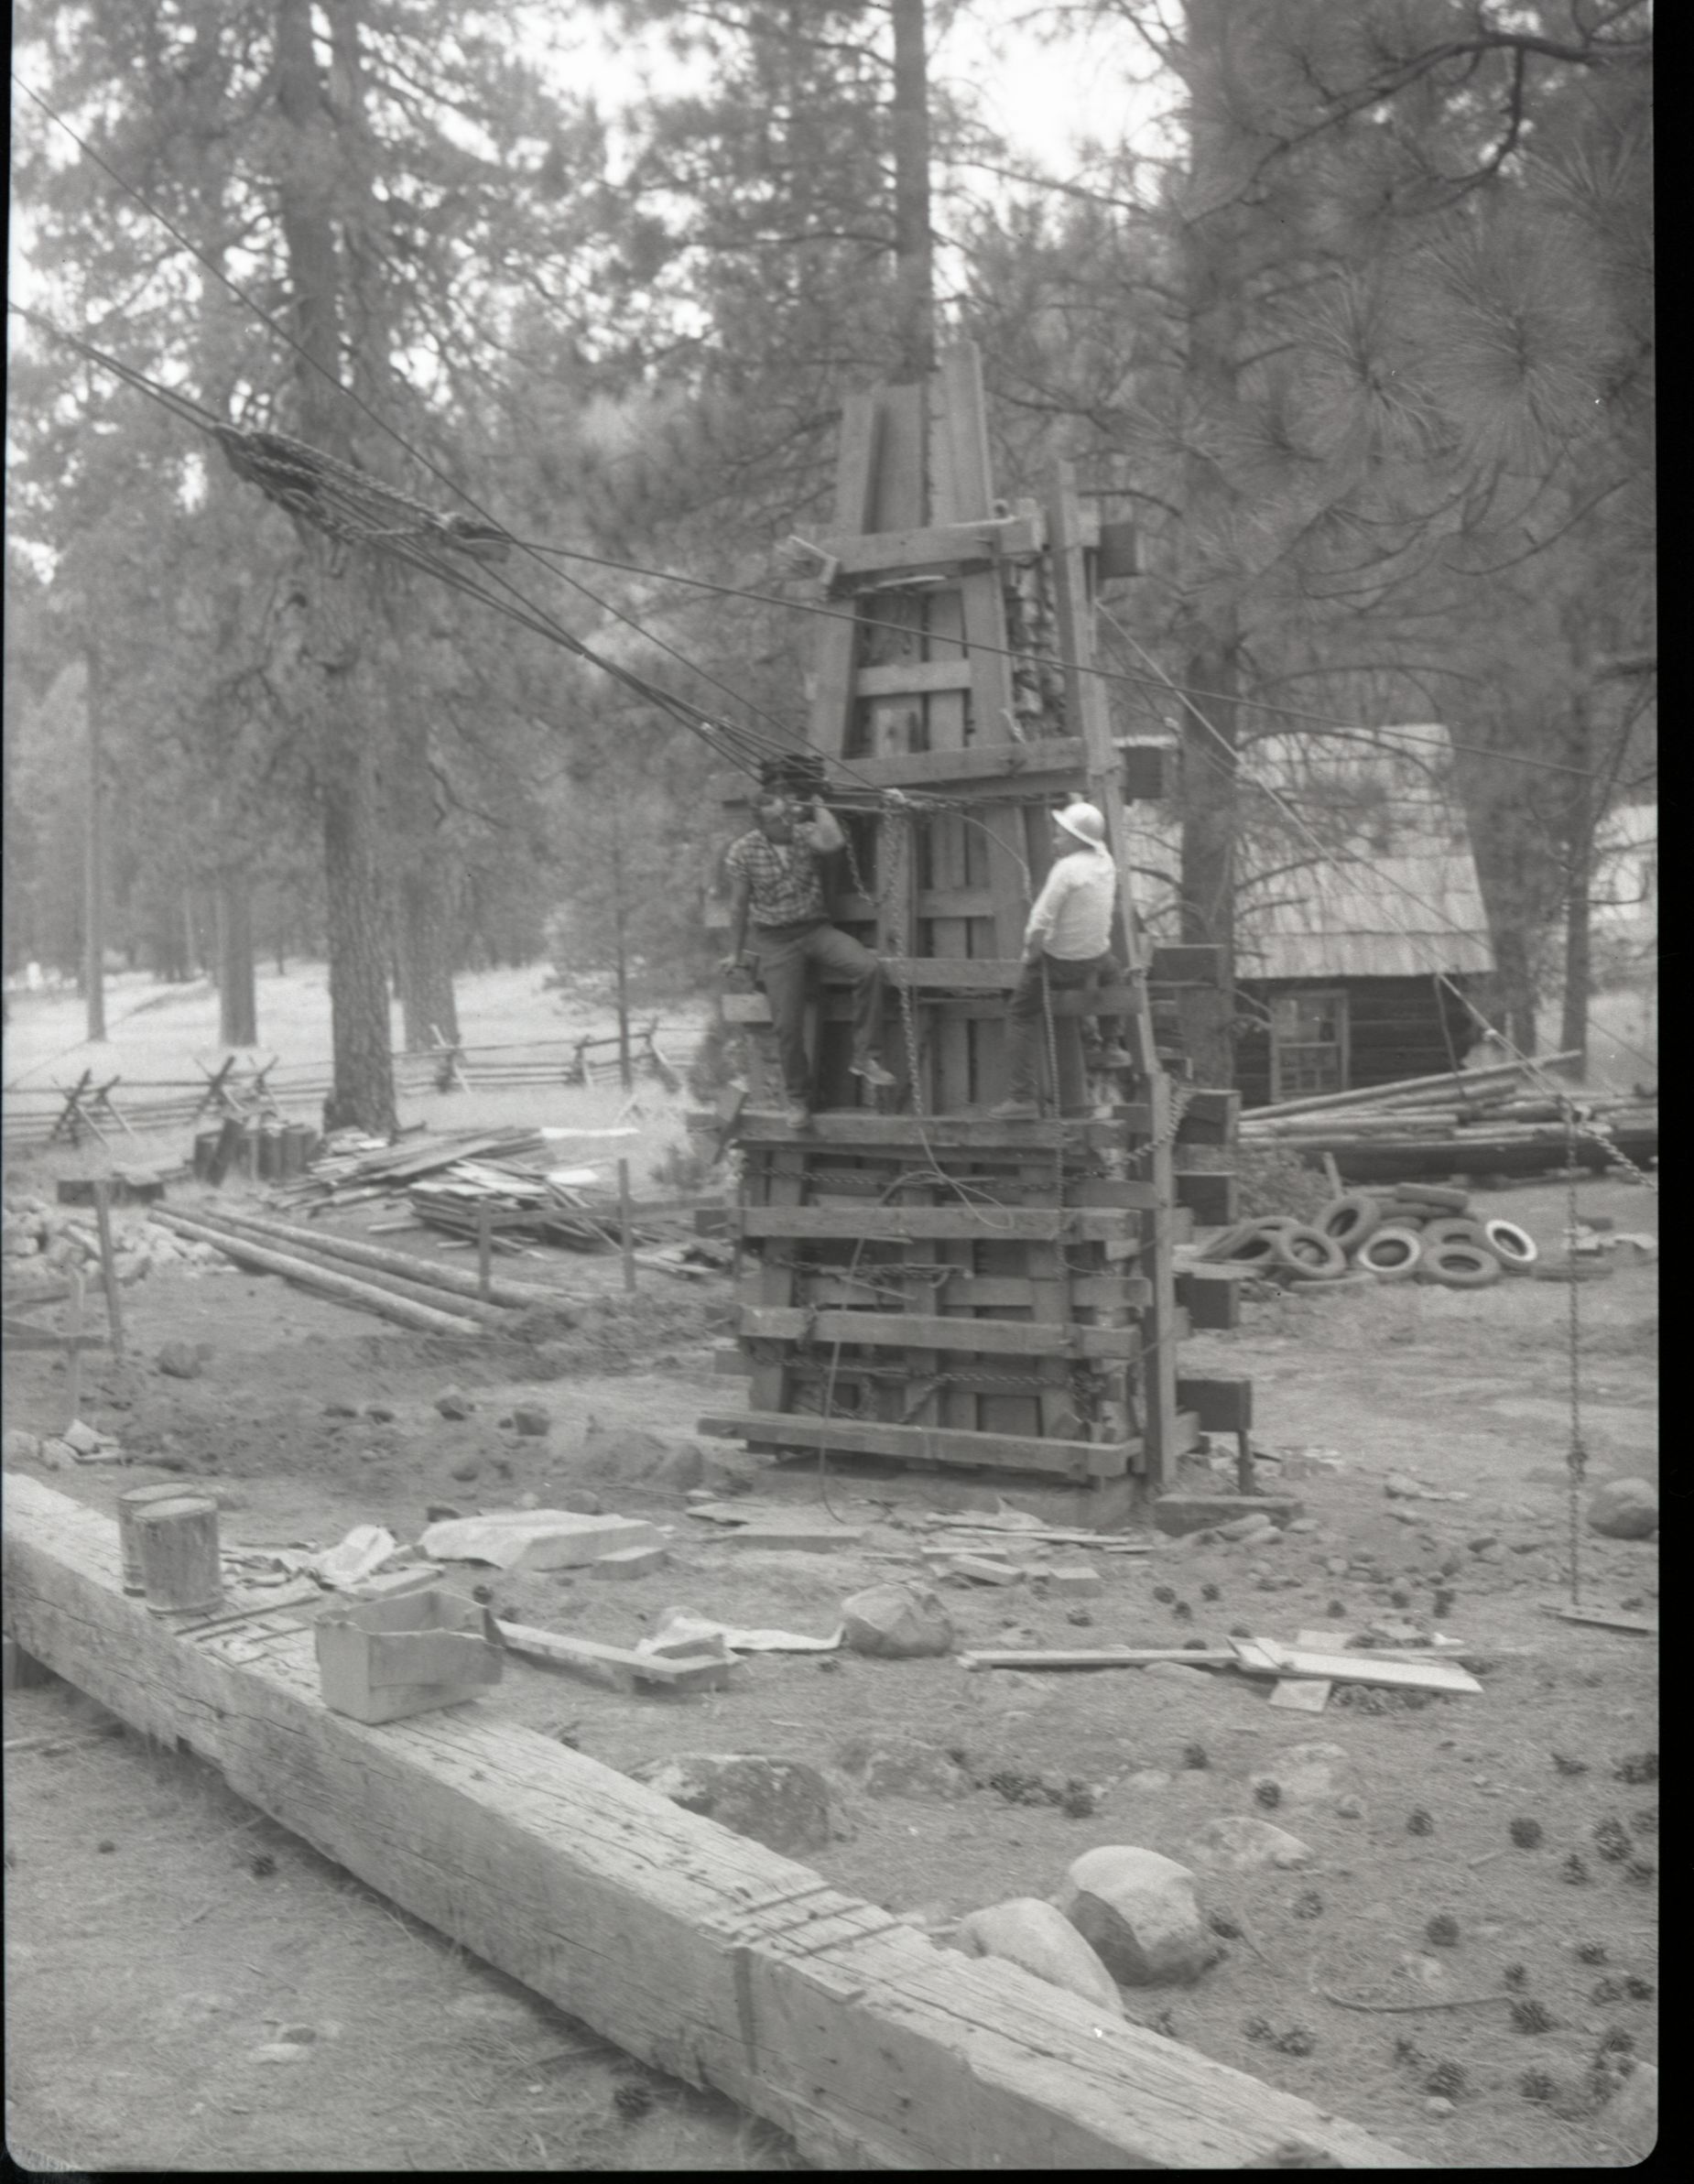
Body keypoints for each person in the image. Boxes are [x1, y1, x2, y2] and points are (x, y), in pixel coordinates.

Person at [722, 790, 896, 1126]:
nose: (787, 822)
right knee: (787, 1025)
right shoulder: (744, 851)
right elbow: (738, 906)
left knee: (868, 968)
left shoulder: (803, 834)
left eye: (788, 814)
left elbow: (832, 841)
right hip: (776, 941)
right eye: (778, 819)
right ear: (761, 824)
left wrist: (817, 805)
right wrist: (734, 952)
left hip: (815, 930)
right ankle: (798, 1101)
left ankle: (865, 1057)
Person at [991, 800, 1134, 1119]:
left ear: (1077, 839)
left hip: (1060, 963)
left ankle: (1021, 1098)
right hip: (1096, 958)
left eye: (1061, 835)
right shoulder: (1106, 862)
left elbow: (1040, 921)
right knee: (1114, 973)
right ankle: (1110, 1044)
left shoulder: (1066, 870)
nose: (1056, 840)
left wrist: (1031, 954)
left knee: (1019, 1014)